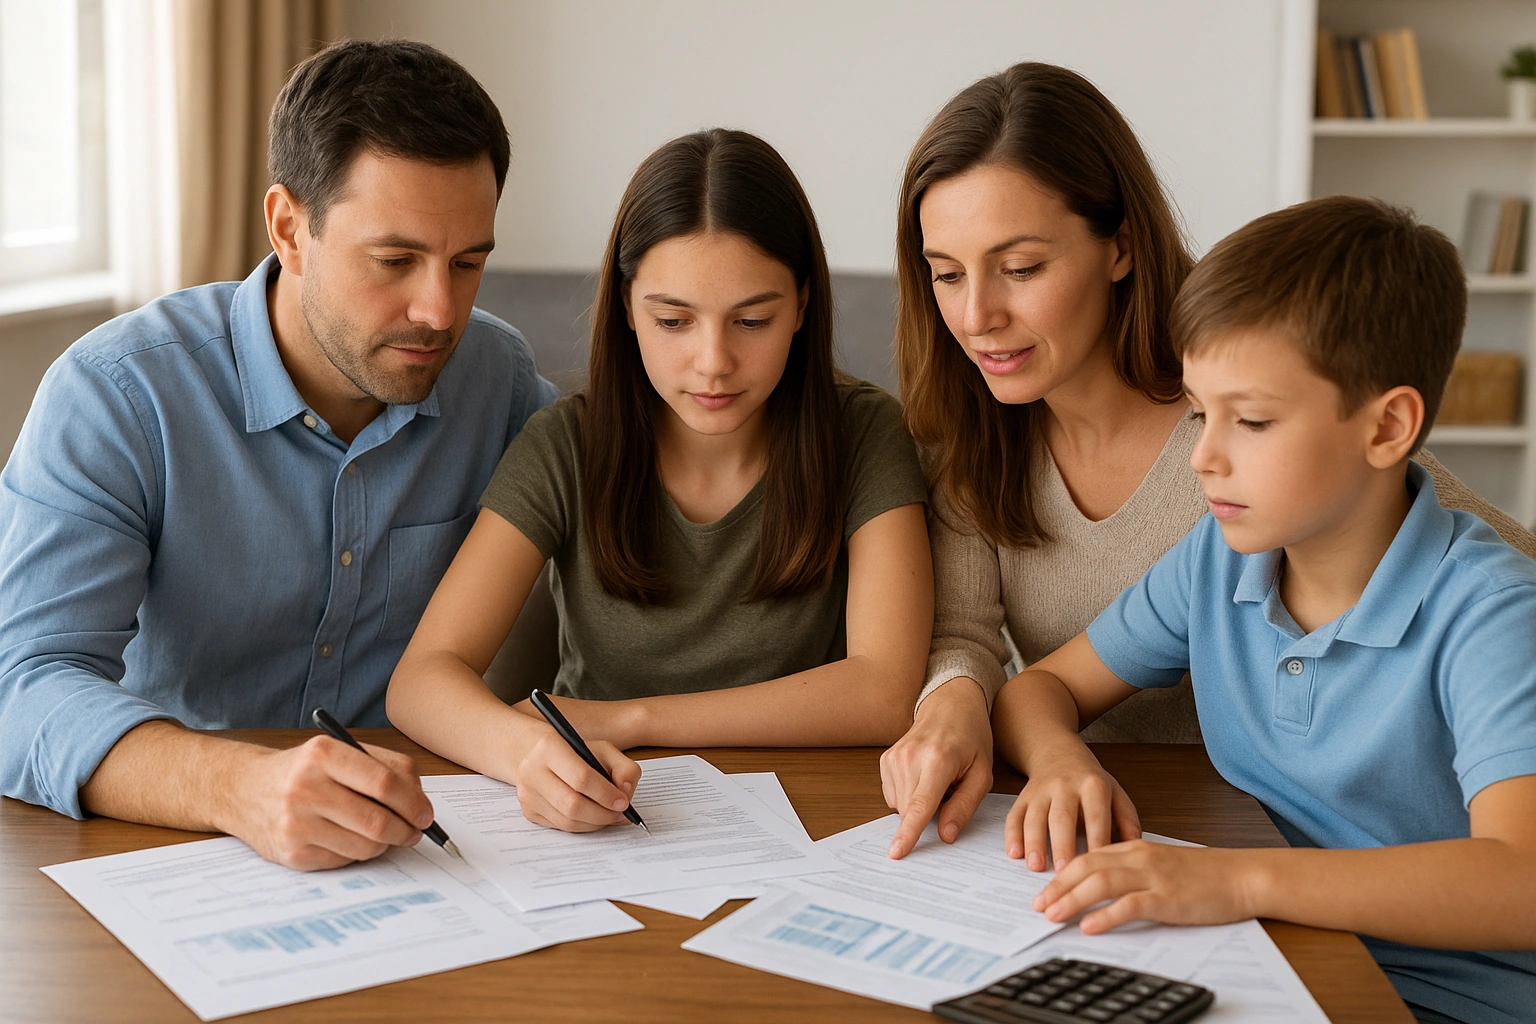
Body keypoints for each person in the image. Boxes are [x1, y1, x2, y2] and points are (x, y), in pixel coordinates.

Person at [877, 62, 1536, 858]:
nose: (976, 315)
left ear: (1120, 246)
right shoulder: (980, 439)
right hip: (1143, 829)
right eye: (945, 274)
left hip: (1284, 852)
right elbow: (972, 641)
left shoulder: (1275, 432)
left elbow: (1487, 574)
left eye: (1021, 269)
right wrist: (966, 713)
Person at [0, 40, 556, 870]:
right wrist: (240, 787)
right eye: (395, 260)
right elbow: (21, 687)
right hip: (175, 837)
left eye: (468, 262)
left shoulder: (497, 376)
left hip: (417, 846)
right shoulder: (117, 394)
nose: (440, 311)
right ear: (290, 229)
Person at [995, 197, 1536, 1024]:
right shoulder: (1221, 562)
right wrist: (1062, 759)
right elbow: (1038, 690)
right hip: (1273, 961)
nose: (1204, 457)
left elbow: (1520, 882)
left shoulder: (1492, 613)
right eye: (1201, 414)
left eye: (1249, 420)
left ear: (1388, 426)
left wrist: (1237, 880)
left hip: (1441, 1000)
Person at [387, 129, 932, 833]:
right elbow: (422, 680)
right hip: (607, 816)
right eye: (673, 320)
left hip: (814, 813)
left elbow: (885, 693)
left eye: (753, 320)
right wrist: (525, 752)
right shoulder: (566, 444)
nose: (713, 361)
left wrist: (635, 716)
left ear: (801, 304)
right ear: (626, 308)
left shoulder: (864, 434)